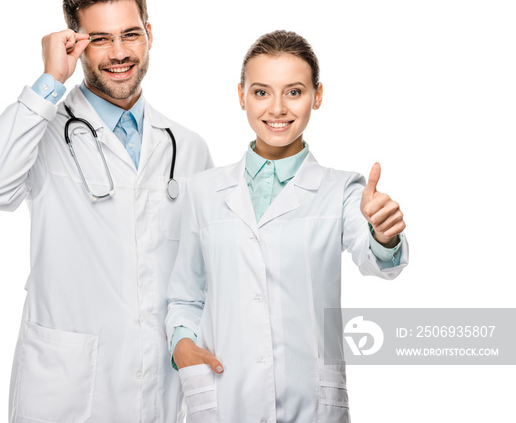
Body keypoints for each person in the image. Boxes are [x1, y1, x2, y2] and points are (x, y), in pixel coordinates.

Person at [0, 0, 212, 423]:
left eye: (130, 35)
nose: (119, 53)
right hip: (64, 388)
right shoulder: (43, 130)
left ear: (149, 35)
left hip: (158, 385)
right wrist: (49, 81)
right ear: (76, 45)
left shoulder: (187, 147)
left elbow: (203, 272)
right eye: (100, 39)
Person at [165, 30, 408, 423]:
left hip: (309, 402)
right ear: (241, 95)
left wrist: (384, 233)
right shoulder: (203, 191)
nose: (277, 108)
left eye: (294, 92)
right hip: (223, 395)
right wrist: (182, 346)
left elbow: (377, 259)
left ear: (318, 95)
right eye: (261, 92)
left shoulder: (342, 188)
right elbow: (185, 296)